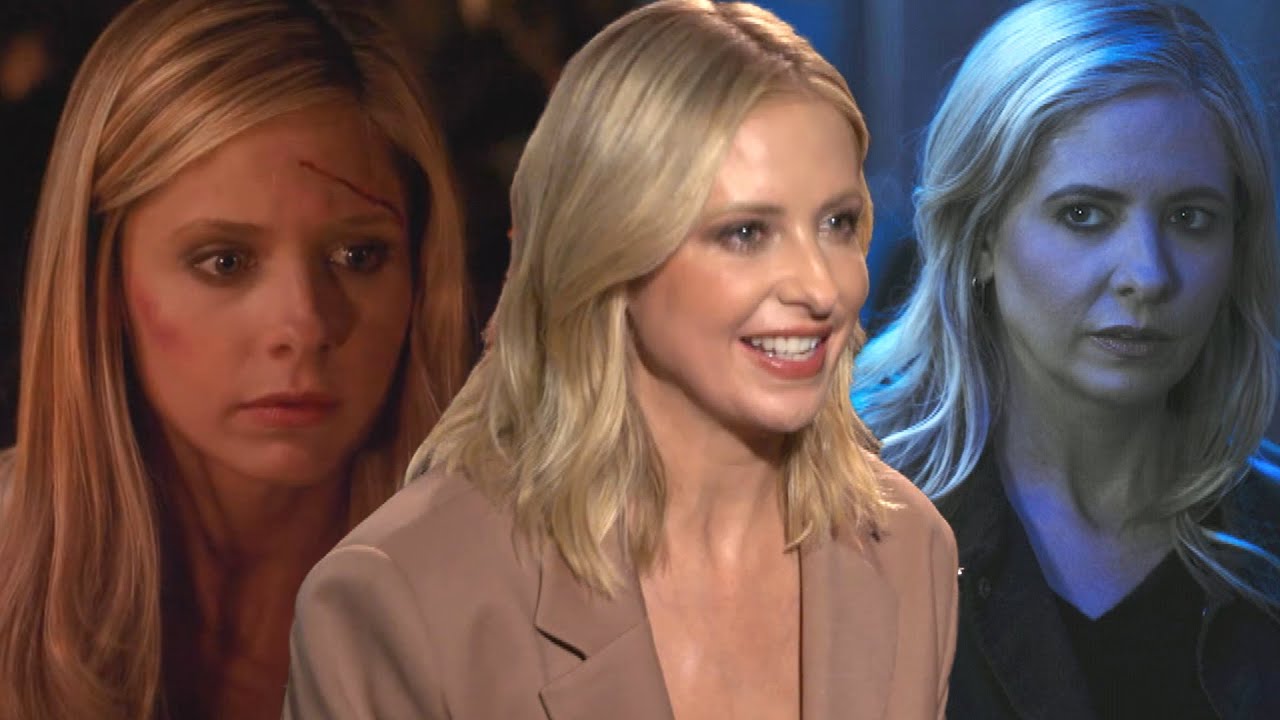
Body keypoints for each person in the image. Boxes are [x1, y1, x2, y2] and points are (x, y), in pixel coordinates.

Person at [283, 1, 958, 718]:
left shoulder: (907, 550)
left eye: (837, 223)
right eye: (745, 233)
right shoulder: (399, 599)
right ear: (610, 249)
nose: (822, 288)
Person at [0, 0, 471, 717]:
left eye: (357, 255)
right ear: (102, 283)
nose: (305, 324)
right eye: (225, 261)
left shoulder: (518, 605)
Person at [852, 0, 1280, 718]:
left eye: (1190, 218)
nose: (1148, 275)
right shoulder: (830, 515)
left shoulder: (1266, 535)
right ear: (979, 237)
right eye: (1084, 215)